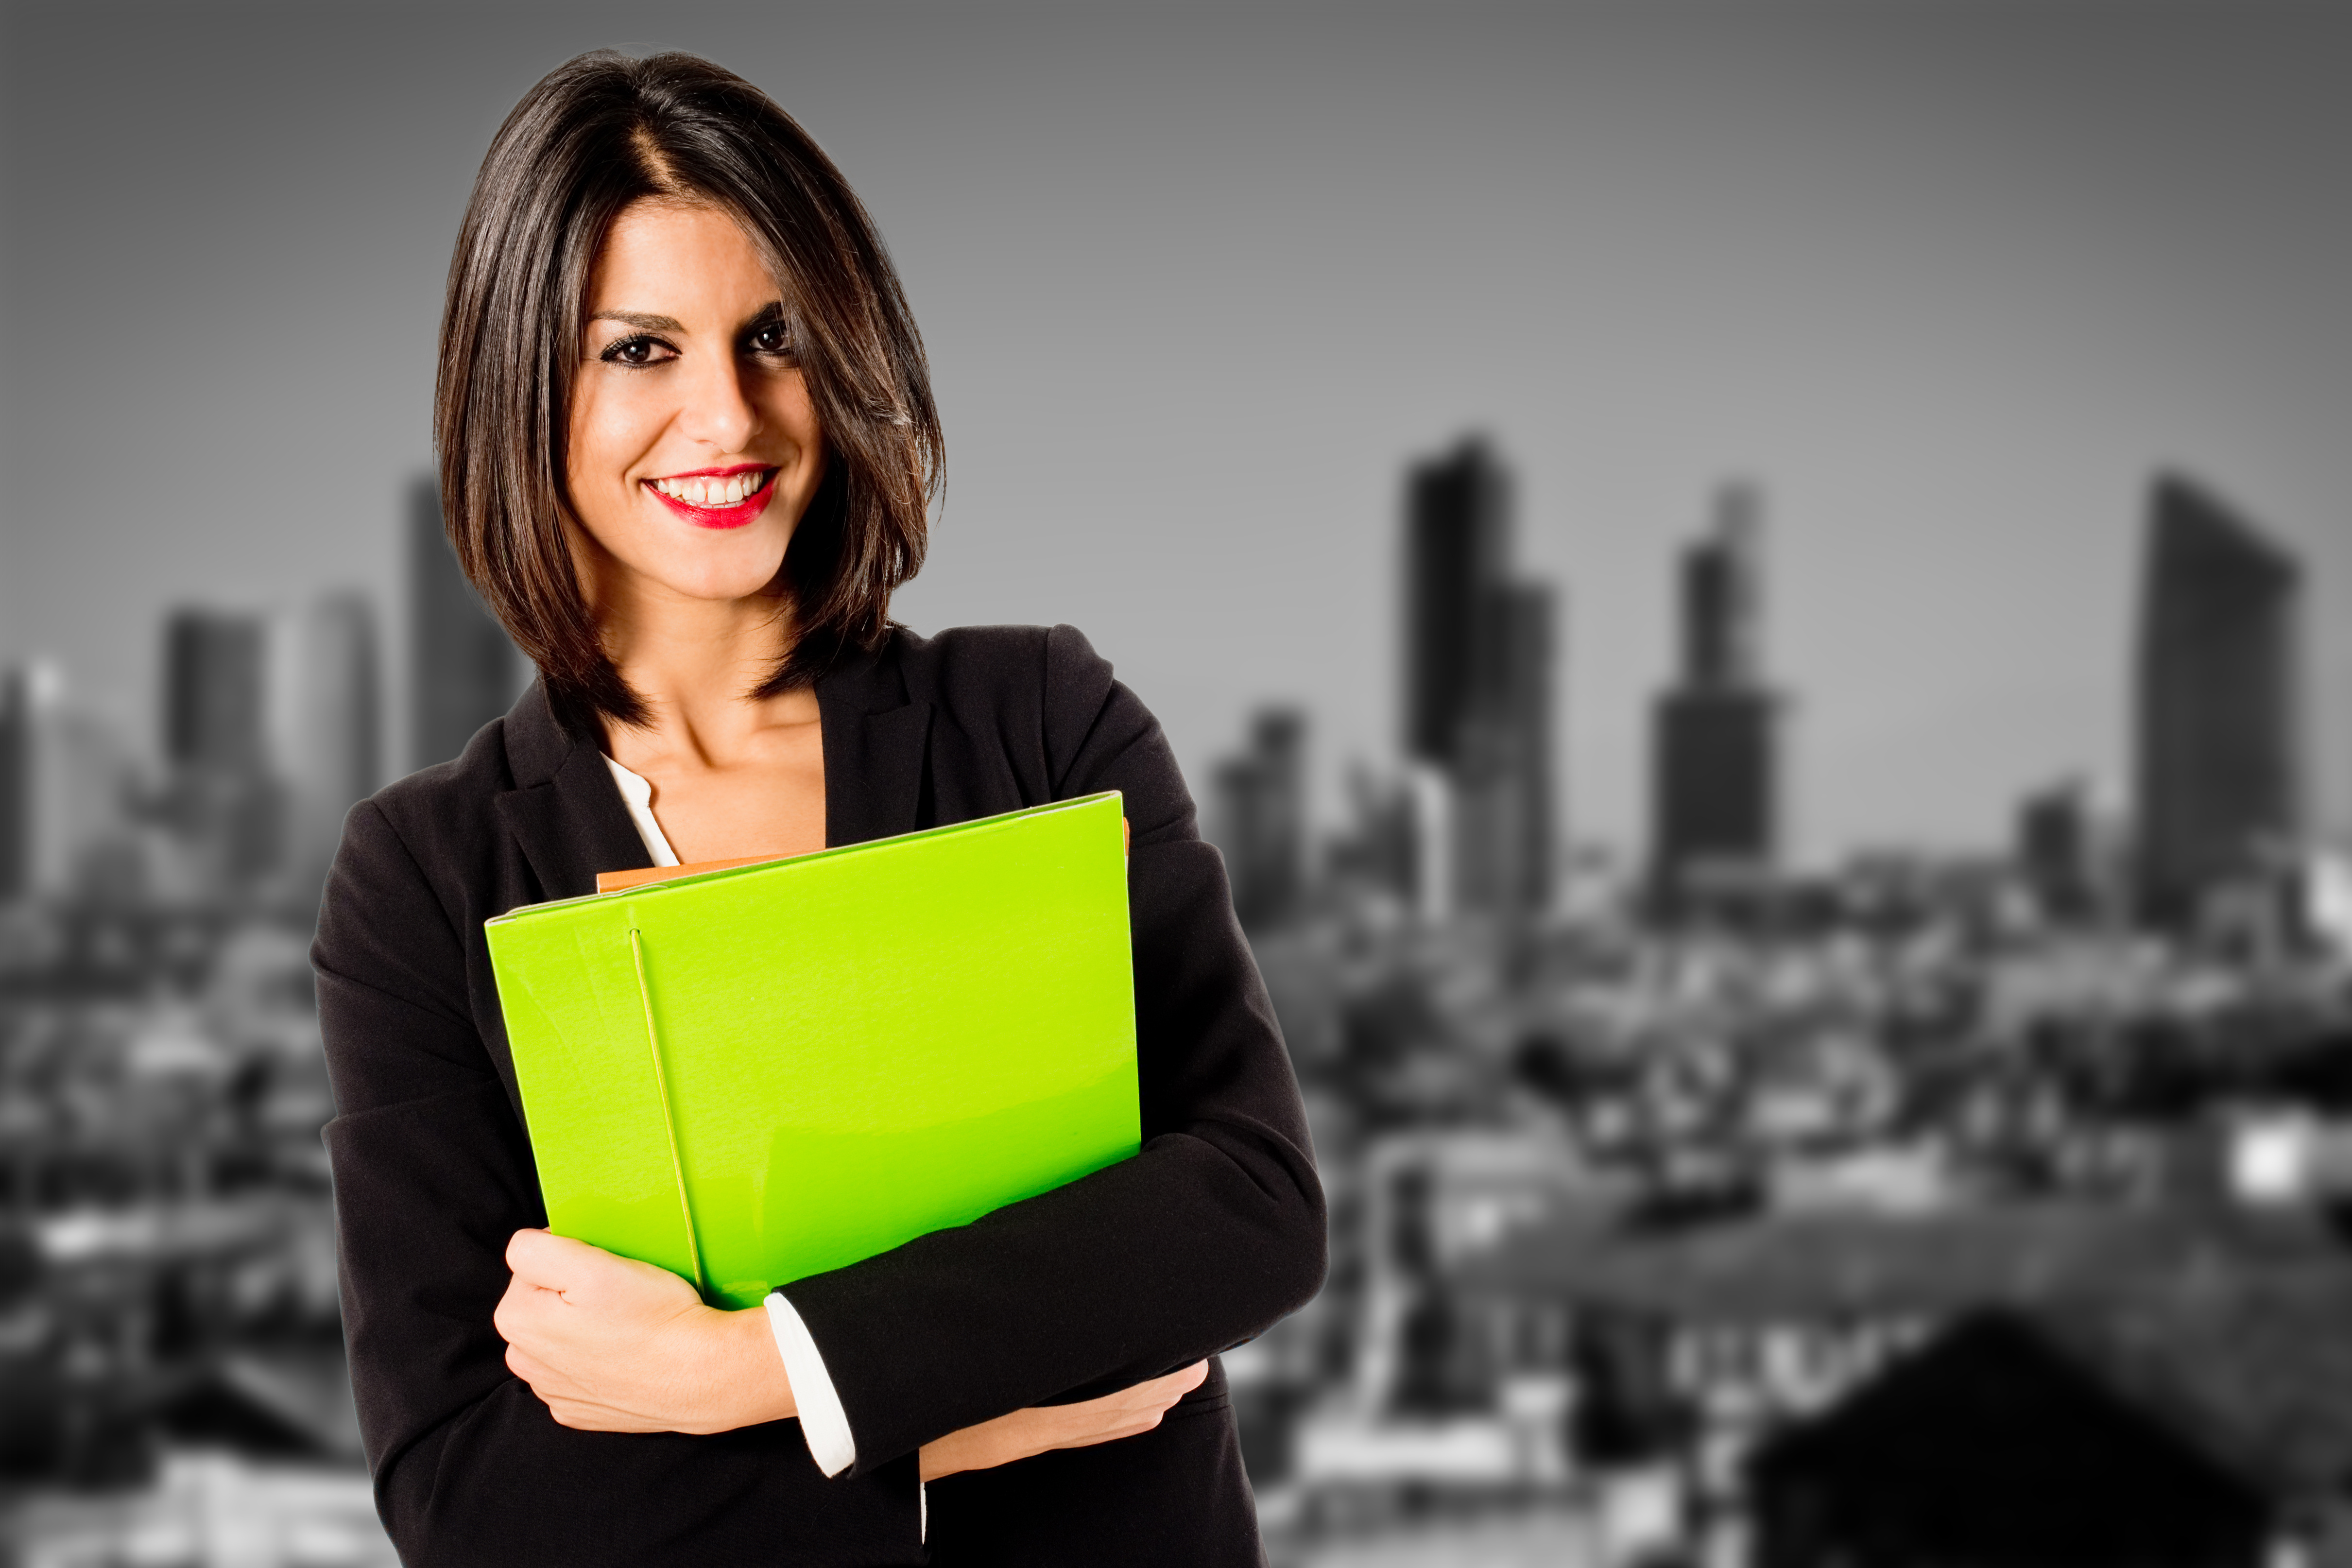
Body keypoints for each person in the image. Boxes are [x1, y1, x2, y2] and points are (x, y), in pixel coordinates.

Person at [311, 49, 1325, 1568]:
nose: (726, 414)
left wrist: (750, 1368)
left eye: (772, 334)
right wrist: (1008, 1406)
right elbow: (469, 1498)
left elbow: (1245, 1206)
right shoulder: (427, 877)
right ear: (521, 381)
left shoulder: (1041, 723)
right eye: (637, 350)